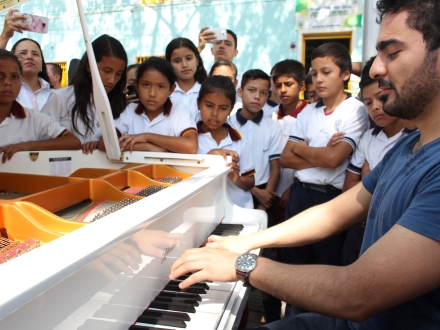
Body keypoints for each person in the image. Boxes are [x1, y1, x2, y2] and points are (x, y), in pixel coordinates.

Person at [170, 1, 440, 329]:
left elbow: (356, 294)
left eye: (392, 53)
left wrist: (242, 264)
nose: (375, 70)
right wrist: (249, 241)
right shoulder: (408, 147)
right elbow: (332, 213)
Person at [279, 43, 369, 285]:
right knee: (293, 271)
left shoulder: (356, 111)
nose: (318, 79)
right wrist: (319, 155)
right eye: (315, 73)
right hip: (299, 196)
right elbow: (286, 159)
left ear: (346, 74)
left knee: (324, 275)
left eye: (326, 72)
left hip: (330, 200)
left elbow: (334, 159)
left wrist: (301, 148)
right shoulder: (307, 112)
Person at [339, 56, 415, 266]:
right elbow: (348, 187)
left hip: (396, 233)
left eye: (381, 98)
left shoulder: (415, 139)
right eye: (368, 102)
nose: (375, 107)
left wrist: (369, 177)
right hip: (361, 227)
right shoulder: (368, 138)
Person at [228, 69, 282, 322]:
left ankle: (271, 318)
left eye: (263, 93)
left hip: (264, 200)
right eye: (251, 90)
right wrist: (256, 193)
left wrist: (267, 194)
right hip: (234, 195)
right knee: (236, 254)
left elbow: (275, 165)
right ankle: (234, 313)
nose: (257, 97)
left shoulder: (272, 126)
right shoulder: (226, 123)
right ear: (240, 91)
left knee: (267, 259)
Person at [41, 34, 127, 154]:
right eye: (107, 71)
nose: (112, 80)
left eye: (119, 74)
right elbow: (41, 138)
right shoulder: (61, 98)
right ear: (89, 66)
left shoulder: (121, 103)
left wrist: (101, 145)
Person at [0, 49, 80, 163]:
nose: (7, 82)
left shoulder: (32, 119)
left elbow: (73, 142)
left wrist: (26, 146)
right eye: (0, 76)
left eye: (14, 77)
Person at [107, 57, 198, 154]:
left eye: (160, 87)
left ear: (171, 89)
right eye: (146, 85)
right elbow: (106, 144)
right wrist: (148, 146)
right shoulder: (129, 110)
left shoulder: (180, 112)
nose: (152, 94)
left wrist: (147, 137)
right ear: (136, 85)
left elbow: (191, 146)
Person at [197, 75, 255, 209]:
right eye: (209, 105)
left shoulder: (238, 139)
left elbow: (250, 181)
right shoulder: (191, 137)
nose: (215, 113)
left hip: (238, 210)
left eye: (223, 108)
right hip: (203, 211)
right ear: (198, 103)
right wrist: (209, 157)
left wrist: (237, 178)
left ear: (230, 109)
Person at [269, 59, 307, 231]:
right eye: (278, 85)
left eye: (288, 84)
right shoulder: (270, 116)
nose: (282, 90)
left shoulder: (310, 115)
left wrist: (292, 189)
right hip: (271, 192)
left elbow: (312, 158)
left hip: (297, 191)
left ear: (302, 85)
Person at [0, 10, 52, 112]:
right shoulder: (5, 90)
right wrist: (5, 36)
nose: (29, 57)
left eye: (35, 54)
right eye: (23, 53)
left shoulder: (54, 94)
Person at [165, 38, 207, 122]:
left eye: (189, 58)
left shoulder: (208, 89)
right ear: (169, 64)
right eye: (177, 61)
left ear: (197, 59)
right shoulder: (165, 93)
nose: (184, 65)